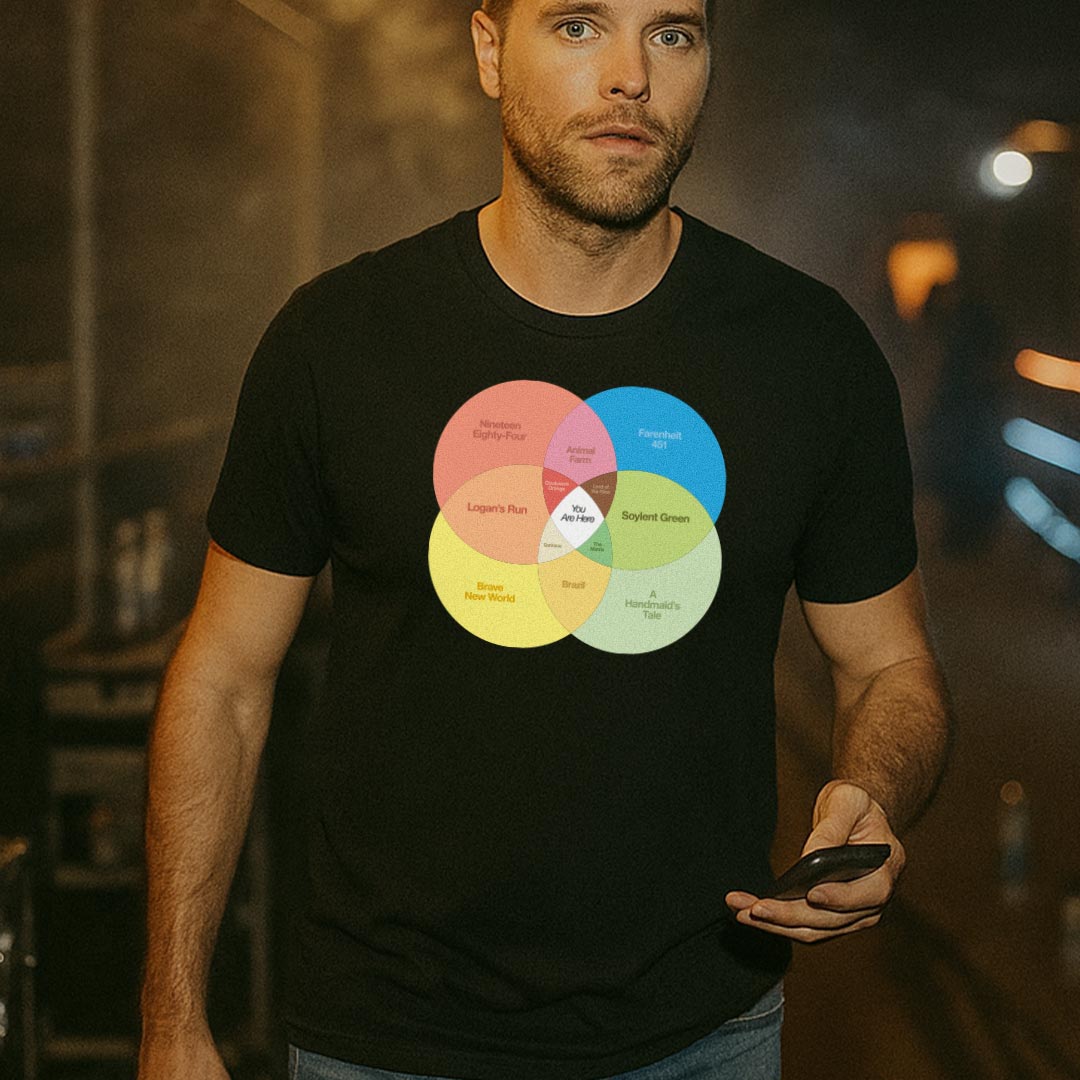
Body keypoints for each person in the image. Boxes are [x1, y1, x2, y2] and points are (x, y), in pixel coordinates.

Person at [137, 1, 952, 1078]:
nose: (631, 76)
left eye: (673, 34)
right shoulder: (338, 338)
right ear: (488, 52)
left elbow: (891, 664)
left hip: (702, 1036)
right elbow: (225, 679)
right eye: (577, 27)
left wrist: (874, 795)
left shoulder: (811, 355)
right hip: (383, 1042)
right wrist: (170, 1015)